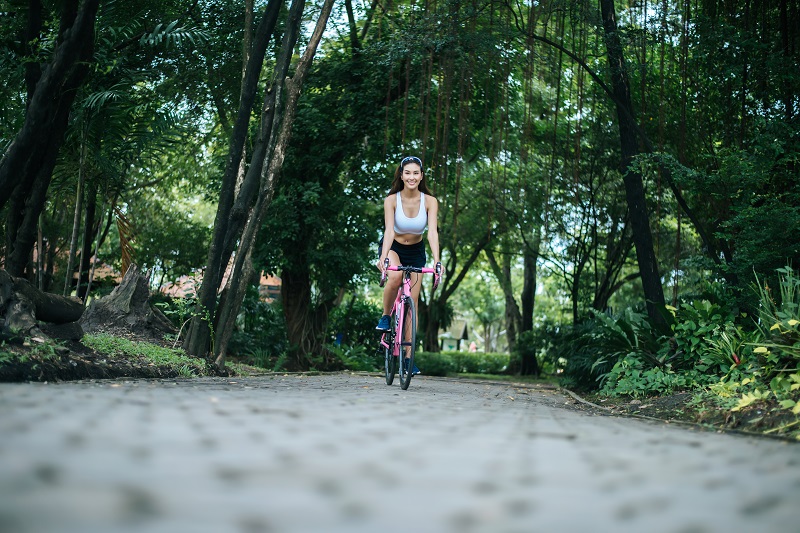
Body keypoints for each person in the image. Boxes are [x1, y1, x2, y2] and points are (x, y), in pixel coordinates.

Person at [376, 155, 441, 375]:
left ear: (421, 176)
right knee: (394, 278)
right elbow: (388, 231)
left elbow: (432, 232)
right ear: (401, 176)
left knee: (412, 302)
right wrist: (384, 257)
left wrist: (437, 260)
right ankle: (386, 316)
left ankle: (408, 359)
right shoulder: (391, 200)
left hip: (416, 251)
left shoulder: (430, 201)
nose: (411, 177)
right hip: (394, 247)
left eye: (416, 173)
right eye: (407, 173)